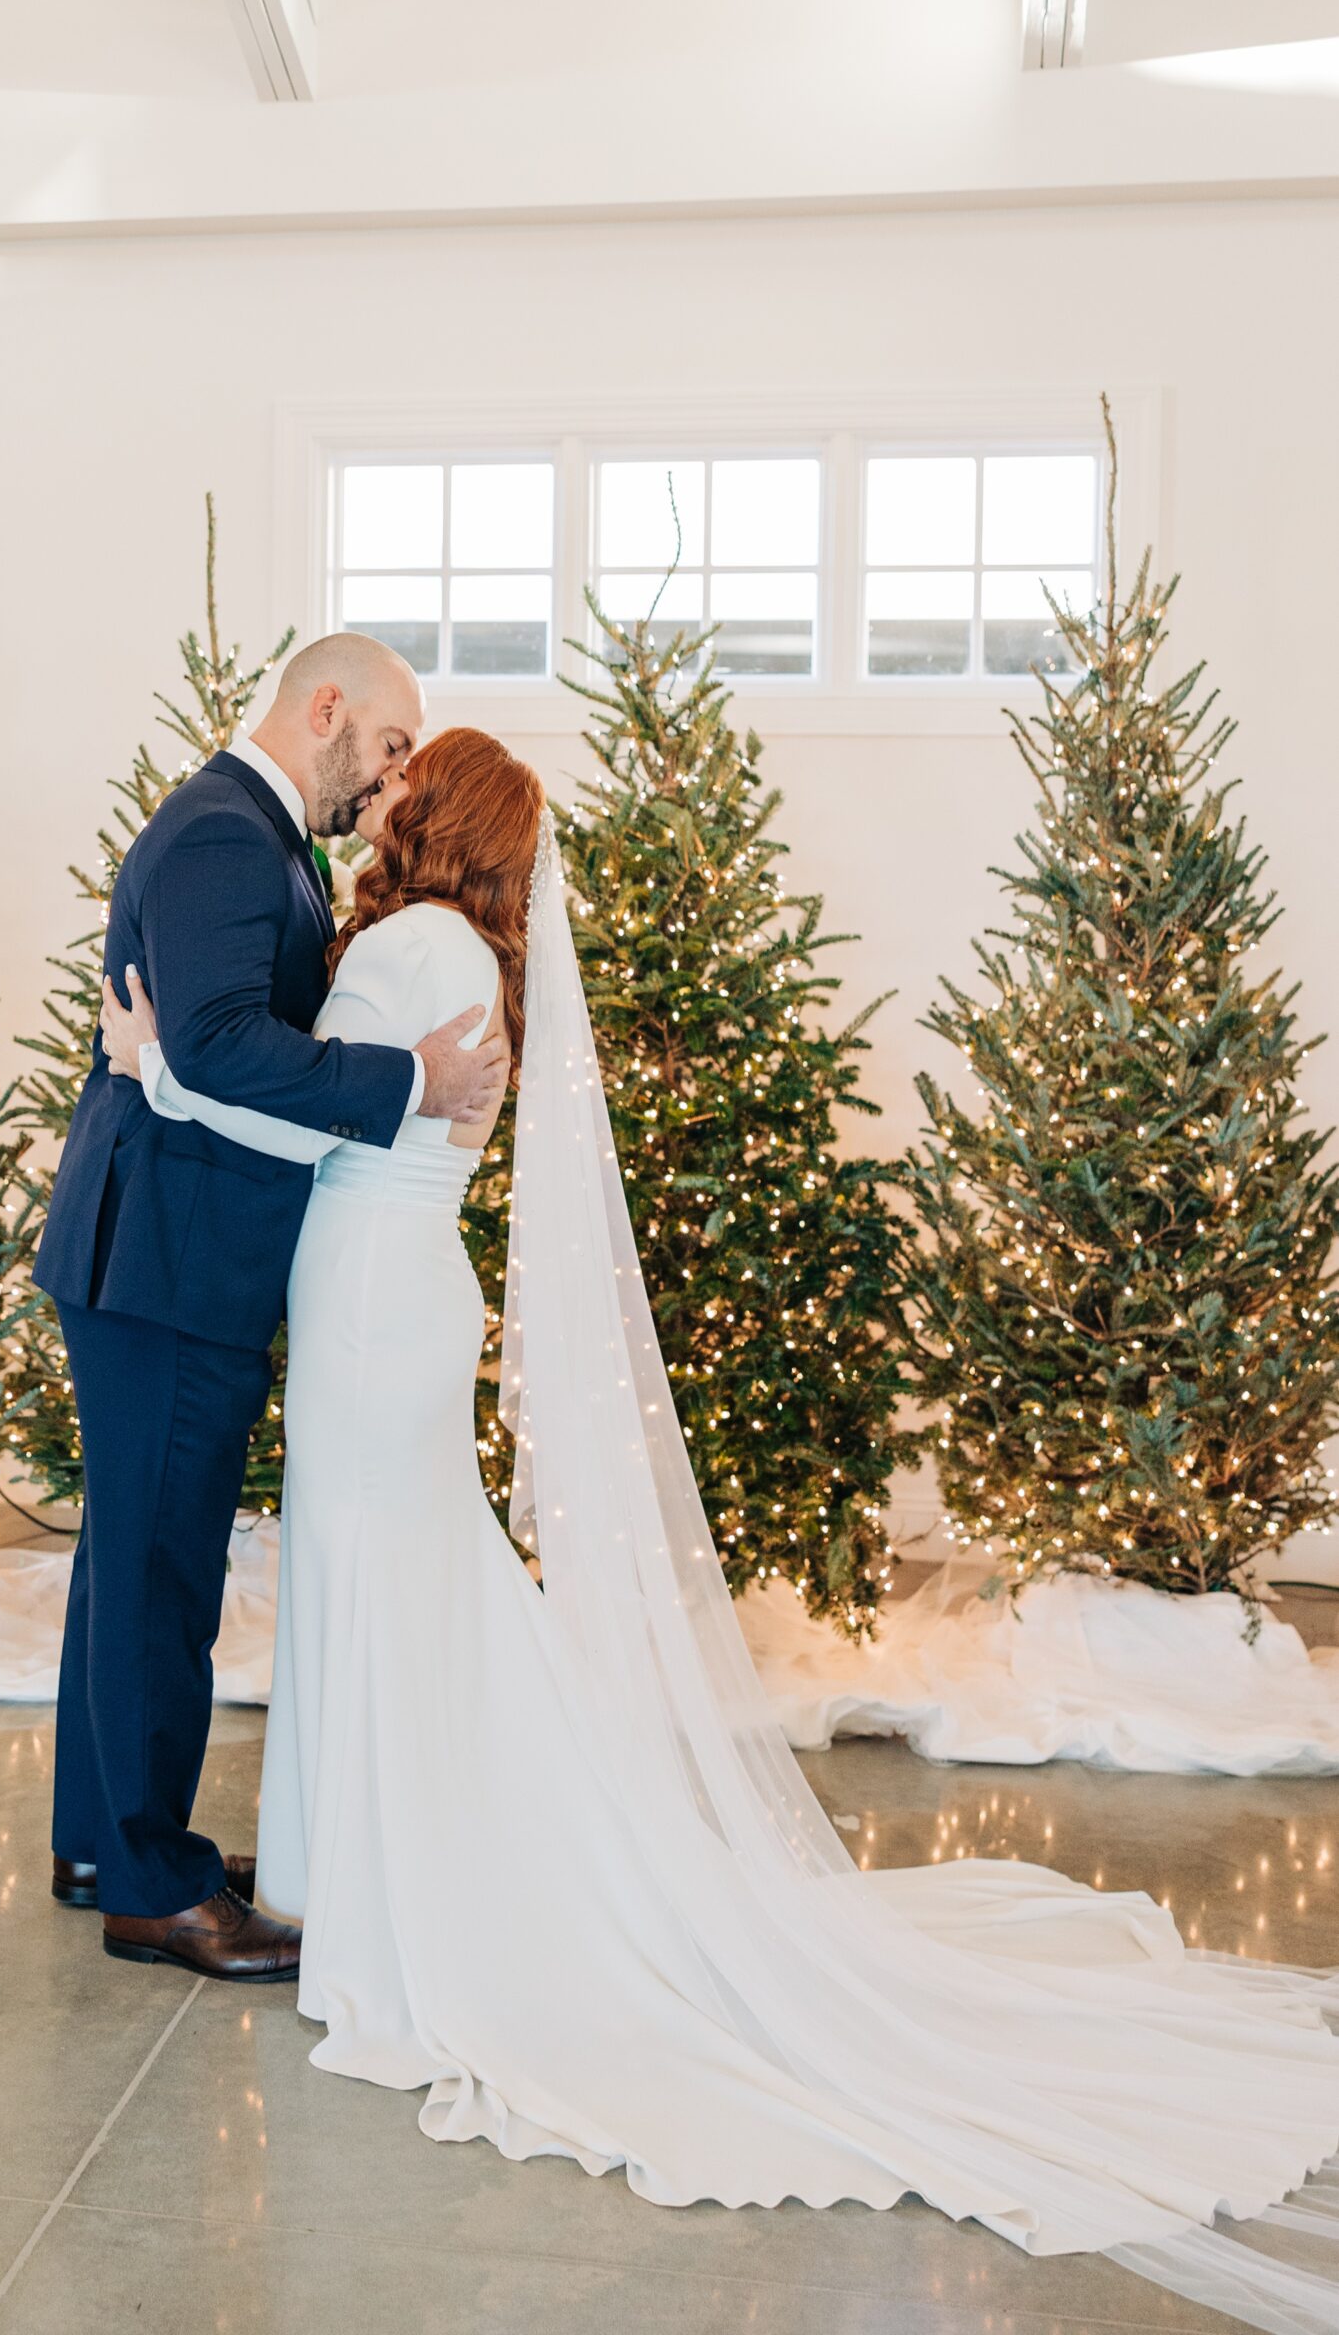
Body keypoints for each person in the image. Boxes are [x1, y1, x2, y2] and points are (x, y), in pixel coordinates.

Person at [100, 725, 1339, 2335]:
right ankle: (369, 1856)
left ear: (444, 818)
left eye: (410, 779)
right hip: (392, 1295)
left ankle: (422, 1885)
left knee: (390, 1579)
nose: (382, 791)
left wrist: (156, 1065)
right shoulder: (472, 946)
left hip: (368, 1306)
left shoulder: (409, 945)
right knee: (391, 1575)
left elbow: (300, 1119)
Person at [34, 637, 508, 1982]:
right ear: (327, 709)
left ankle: (106, 1844)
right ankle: (150, 1887)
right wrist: (406, 1078)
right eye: (393, 744)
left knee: (130, 1559)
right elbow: (225, 1045)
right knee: (158, 1571)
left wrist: (175, 1063)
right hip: (169, 1266)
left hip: (163, 1256)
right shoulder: (228, 840)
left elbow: (202, 1048)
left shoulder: (248, 835)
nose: (396, 778)